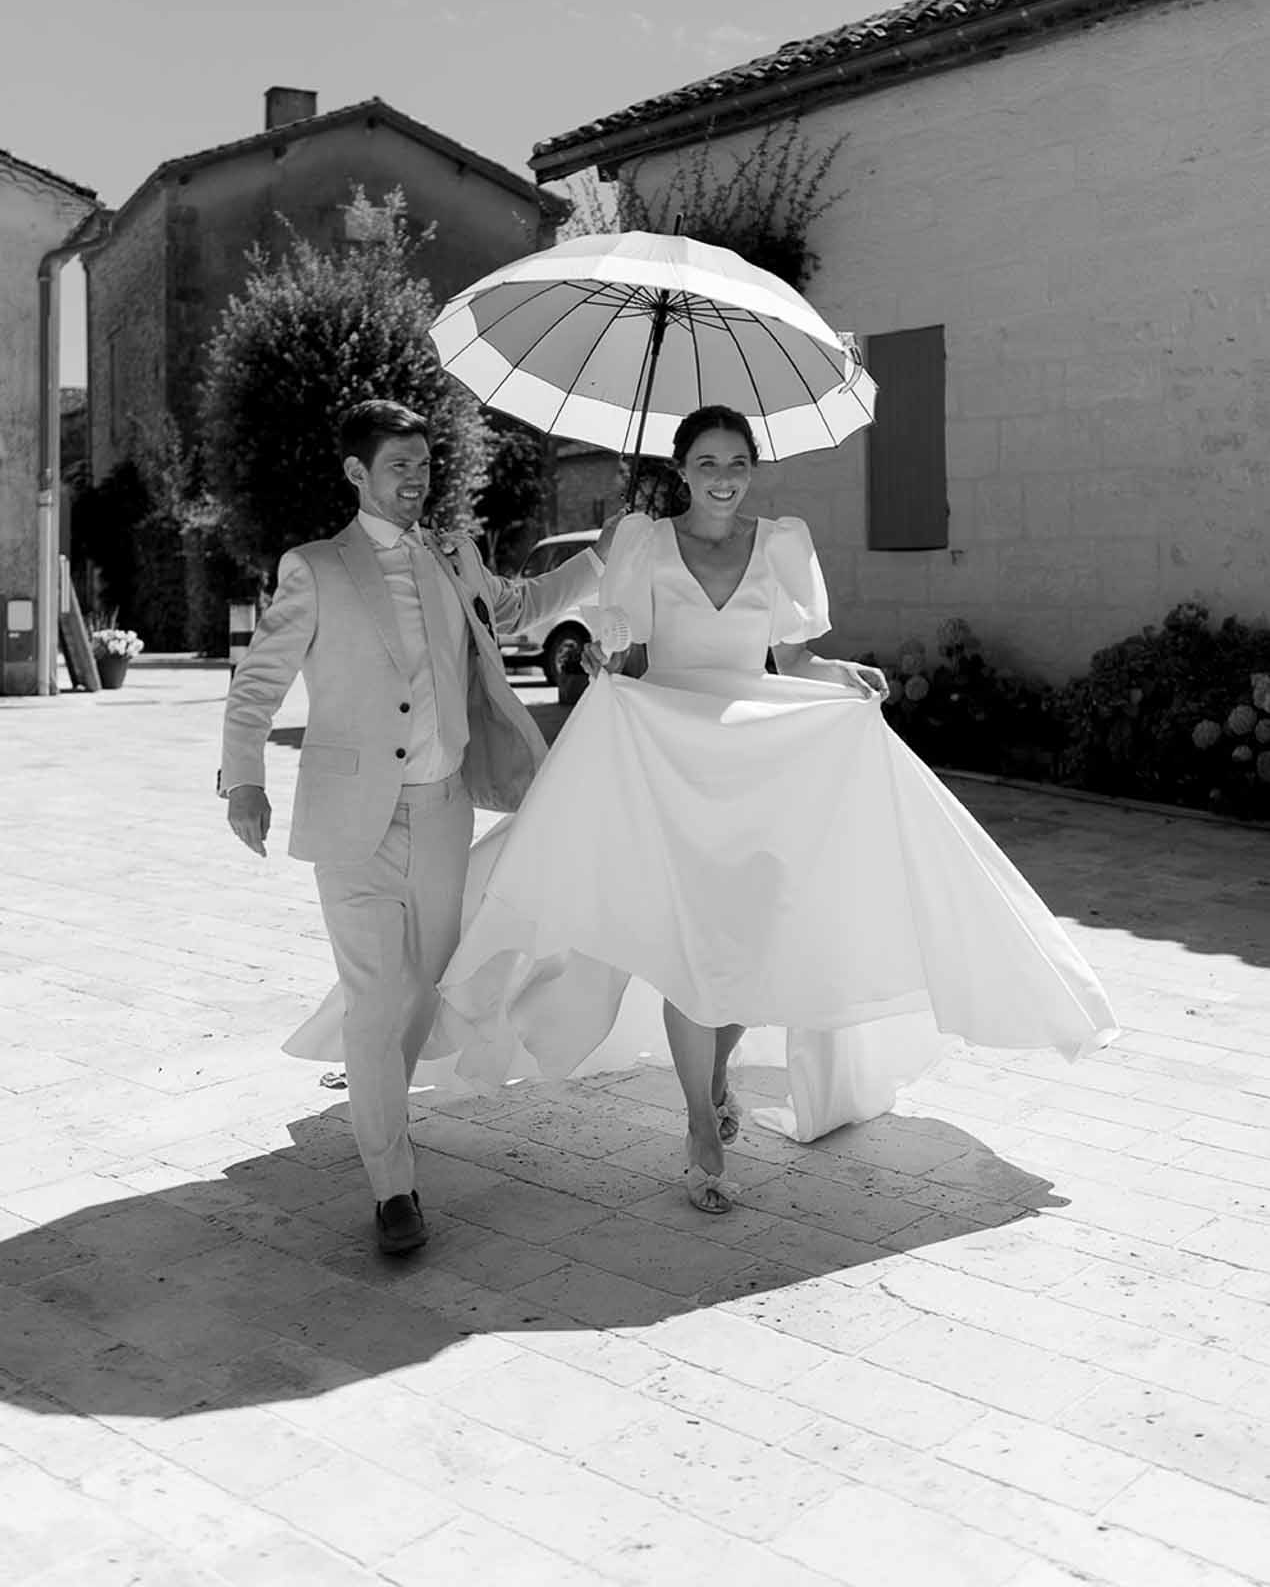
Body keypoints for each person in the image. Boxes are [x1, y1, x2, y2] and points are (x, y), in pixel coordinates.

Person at [411, 403, 1117, 1216]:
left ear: (753, 466)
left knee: (753, 946)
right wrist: (603, 652)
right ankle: (698, 1132)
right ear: (681, 468)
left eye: (736, 460)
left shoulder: (783, 544)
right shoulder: (638, 541)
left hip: (759, 767)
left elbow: (792, 655)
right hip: (672, 769)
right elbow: (605, 645)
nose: (723, 475)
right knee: (690, 946)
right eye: (706, 461)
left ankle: (713, 1075)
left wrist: (844, 675)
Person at [221, 398, 618, 1256]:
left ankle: (377, 1104)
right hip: (352, 817)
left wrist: (602, 556)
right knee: (374, 995)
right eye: (400, 466)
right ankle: (392, 1187)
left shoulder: (452, 555)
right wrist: (244, 780)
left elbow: (518, 608)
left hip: (442, 809)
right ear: (356, 473)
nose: (418, 480)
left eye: (427, 466)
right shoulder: (314, 568)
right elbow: (257, 684)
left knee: (423, 982)